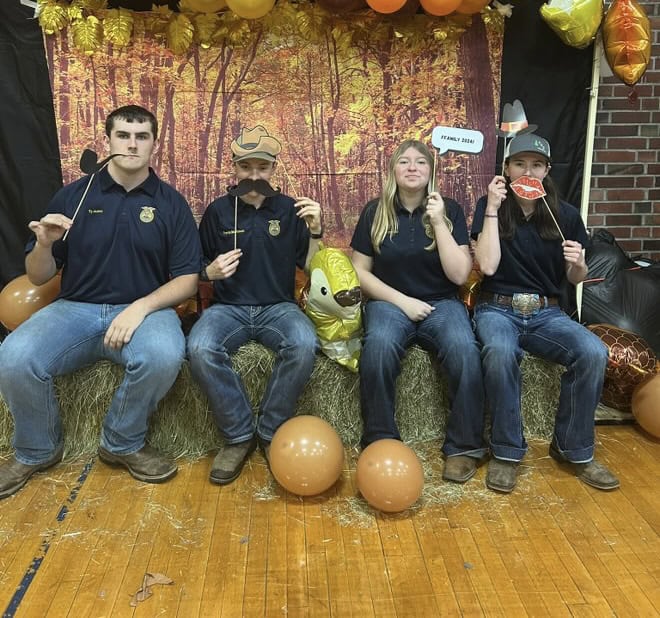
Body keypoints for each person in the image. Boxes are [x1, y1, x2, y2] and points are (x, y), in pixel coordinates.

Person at [0, 105, 202, 499]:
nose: (131, 144)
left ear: (153, 145)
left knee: (164, 355)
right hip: (75, 308)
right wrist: (44, 244)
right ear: (107, 141)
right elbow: (39, 275)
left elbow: (188, 281)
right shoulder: (74, 196)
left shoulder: (170, 203)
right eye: (123, 135)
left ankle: (122, 442)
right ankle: (36, 449)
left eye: (141, 137)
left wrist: (140, 308)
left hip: (146, 310)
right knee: (14, 355)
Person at [472, 132, 619, 493]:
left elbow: (575, 278)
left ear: (547, 171)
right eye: (519, 163)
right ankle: (507, 452)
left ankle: (574, 448)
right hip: (496, 308)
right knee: (500, 351)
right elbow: (486, 267)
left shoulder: (565, 215)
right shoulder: (487, 206)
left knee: (593, 351)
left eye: (536, 165)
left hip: (546, 314)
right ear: (506, 169)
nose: (528, 171)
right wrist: (492, 206)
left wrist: (579, 264)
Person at [187, 126, 323, 485]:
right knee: (199, 347)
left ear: (273, 169)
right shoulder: (217, 212)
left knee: (304, 343)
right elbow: (197, 266)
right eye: (246, 167)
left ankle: (270, 430)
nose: (254, 176)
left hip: (278, 307)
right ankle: (238, 434)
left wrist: (316, 231)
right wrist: (210, 271)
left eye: (262, 168)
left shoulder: (291, 210)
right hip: (228, 308)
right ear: (233, 168)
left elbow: (312, 267)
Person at [350, 139, 487, 483]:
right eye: (404, 162)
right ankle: (380, 440)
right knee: (378, 349)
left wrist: (439, 222)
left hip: (442, 302)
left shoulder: (450, 209)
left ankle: (464, 447)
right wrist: (403, 303)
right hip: (389, 302)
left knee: (465, 351)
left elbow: (458, 274)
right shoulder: (374, 211)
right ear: (393, 171)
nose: (412, 167)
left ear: (431, 171)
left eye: (420, 162)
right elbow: (360, 273)